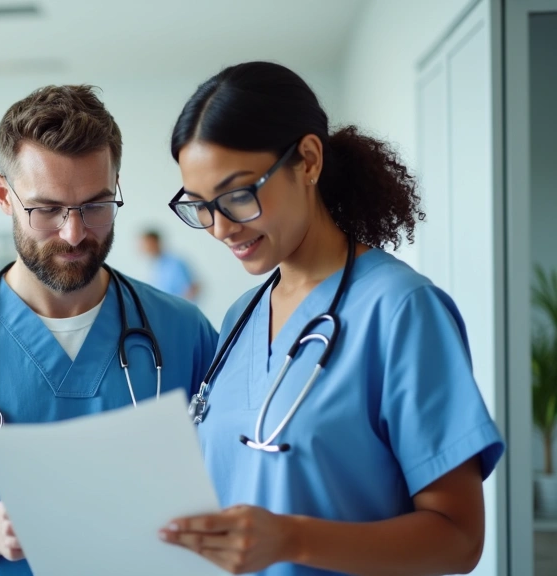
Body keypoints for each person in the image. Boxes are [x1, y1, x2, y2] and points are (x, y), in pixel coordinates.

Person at [158, 61, 505, 575]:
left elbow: (458, 539)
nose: (220, 228)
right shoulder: (239, 319)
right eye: (202, 206)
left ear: (308, 160)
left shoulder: (400, 309)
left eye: (237, 196)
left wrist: (291, 538)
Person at [0, 85, 220, 575]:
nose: (74, 233)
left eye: (95, 205)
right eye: (47, 209)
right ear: (3, 195)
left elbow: (229, 494)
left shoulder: (183, 332)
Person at [140, 229, 200, 301]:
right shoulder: (155, 267)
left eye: (147, 244)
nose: (145, 248)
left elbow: (192, 288)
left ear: (156, 242)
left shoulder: (175, 263)